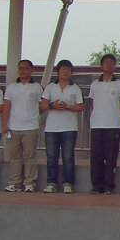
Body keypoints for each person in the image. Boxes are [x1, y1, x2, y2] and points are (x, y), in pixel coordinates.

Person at [40, 59, 84, 193]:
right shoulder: (50, 87)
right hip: (51, 128)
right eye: (63, 69)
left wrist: (68, 106)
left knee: (68, 157)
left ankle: (68, 183)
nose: (66, 72)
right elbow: (43, 105)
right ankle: (51, 182)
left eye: (68, 70)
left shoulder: (75, 88)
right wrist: (52, 105)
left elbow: (81, 106)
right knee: (51, 157)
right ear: (58, 71)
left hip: (69, 128)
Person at [2, 59, 42, 192]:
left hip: (30, 127)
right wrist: (4, 124)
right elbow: (6, 106)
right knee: (14, 156)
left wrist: (33, 116)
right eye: (21, 68)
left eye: (26, 68)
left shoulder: (37, 87)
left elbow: (41, 106)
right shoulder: (11, 87)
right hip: (14, 126)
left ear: (31, 70)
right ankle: (15, 182)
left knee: (30, 156)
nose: (23, 71)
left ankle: (30, 182)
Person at [88, 53, 120, 194]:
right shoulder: (95, 84)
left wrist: (116, 117)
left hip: (113, 125)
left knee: (111, 157)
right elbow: (92, 103)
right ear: (101, 66)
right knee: (96, 157)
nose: (109, 65)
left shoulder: (119, 84)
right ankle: (96, 185)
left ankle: (108, 185)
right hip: (97, 124)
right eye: (106, 62)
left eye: (112, 62)